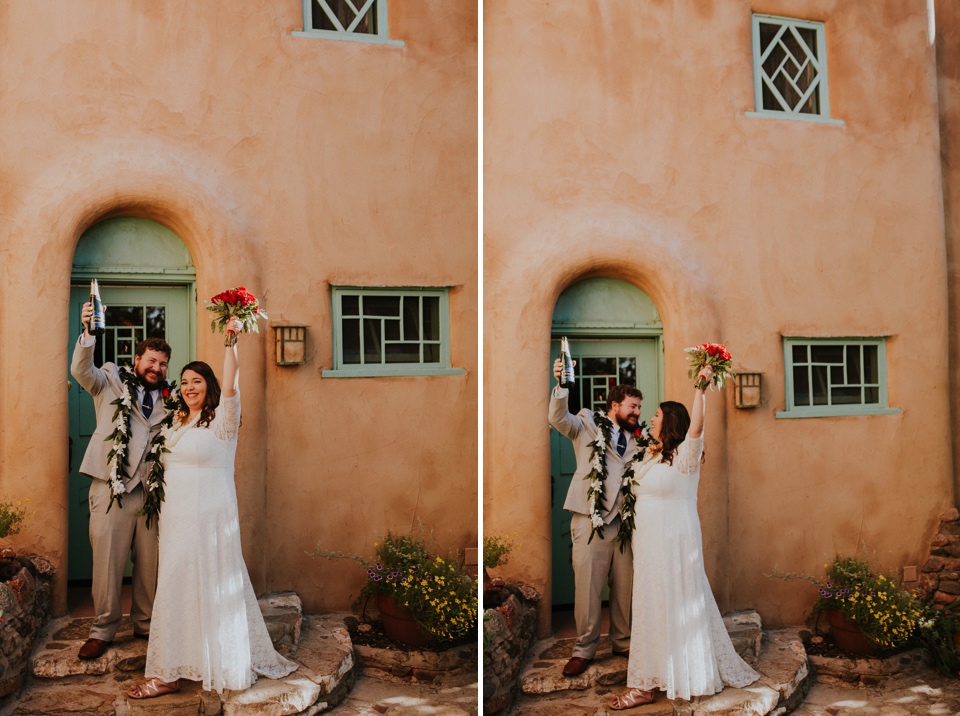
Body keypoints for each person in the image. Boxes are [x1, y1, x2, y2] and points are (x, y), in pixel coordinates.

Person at [128, 316, 297, 698]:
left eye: (197, 381)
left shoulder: (223, 421)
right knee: (175, 586)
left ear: (210, 387)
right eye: (184, 382)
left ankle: (216, 660)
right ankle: (169, 672)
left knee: (212, 585)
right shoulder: (174, 424)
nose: (189, 388)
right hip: (176, 519)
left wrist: (231, 339)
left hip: (212, 517)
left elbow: (233, 378)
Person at [609, 366, 759, 710]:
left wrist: (701, 387)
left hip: (675, 541)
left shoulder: (685, 457)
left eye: (658, 414)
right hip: (648, 545)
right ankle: (648, 681)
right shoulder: (650, 453)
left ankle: (671, 677)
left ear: (671, 421)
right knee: (650, 605)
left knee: (676, 602)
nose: (651, 417)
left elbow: (698, 427)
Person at [70, 302, 172, 660]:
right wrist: (88, 334)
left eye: (162, 364)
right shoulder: (110, 380)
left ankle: (146, 625)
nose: (156, 368)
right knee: (107, 563)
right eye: (151, 361)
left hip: (152, 493)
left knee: (151, 564)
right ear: (138, 359)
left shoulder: (172, 398)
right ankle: (102, 630)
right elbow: (82, 370)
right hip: (111, 488)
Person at [549, 357, 643, 677]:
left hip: (626, 523)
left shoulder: (638, 438)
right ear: (615, 405)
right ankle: (584, 648)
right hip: (590, 521)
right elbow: (558, 418)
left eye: (639, 408)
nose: (636, 412)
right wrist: (562, 386)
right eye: (632, 406)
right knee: (587, 587)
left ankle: (622, 640)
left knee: (624, 586)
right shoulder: (586, 423)